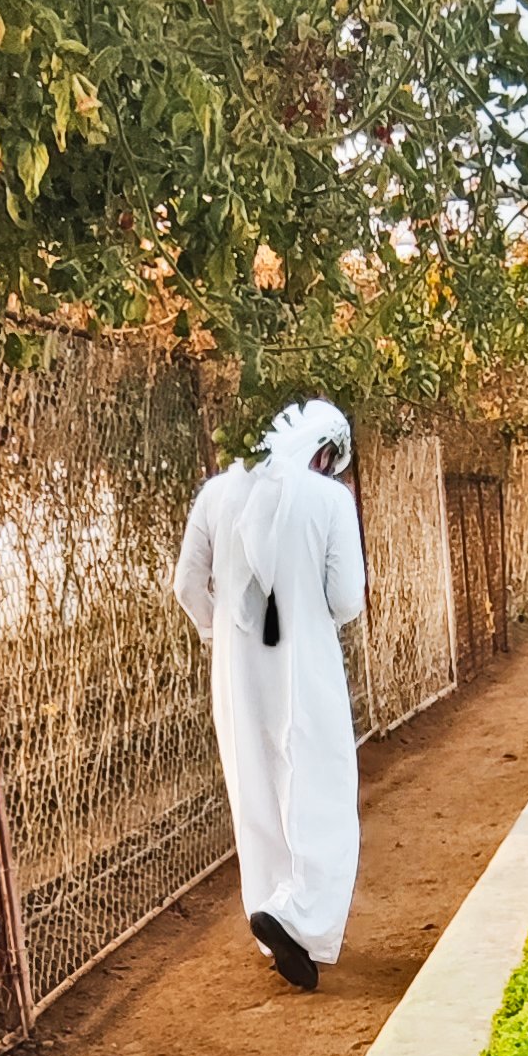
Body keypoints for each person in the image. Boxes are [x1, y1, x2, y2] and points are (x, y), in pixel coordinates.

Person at [172, 398, 367, 992]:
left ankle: (271, 920)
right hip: (303, 660)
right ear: (324, 449)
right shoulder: (331, 499)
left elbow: (186, 584)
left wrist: (222, 631)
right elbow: (347, 600)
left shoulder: (216, 493)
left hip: (235, 668)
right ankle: (298, 914)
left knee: (254, 788)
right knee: (320, 786)